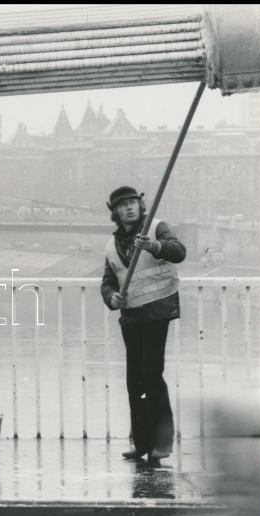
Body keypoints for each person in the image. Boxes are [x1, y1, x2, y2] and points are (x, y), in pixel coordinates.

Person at [100, 186, 186, 466]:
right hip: (132, 316)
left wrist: (154, 246)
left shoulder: (157, 228)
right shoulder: (111, 246)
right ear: (115, 212)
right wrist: (112, 297)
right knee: (134, 380)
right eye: (122, 205)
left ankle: (162, 442)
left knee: (151, 374)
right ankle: (142, 443)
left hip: (157, 311)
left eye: (133, 202)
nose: (129, 207)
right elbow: (108, 282)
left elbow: (179, 251)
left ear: (140, 205)